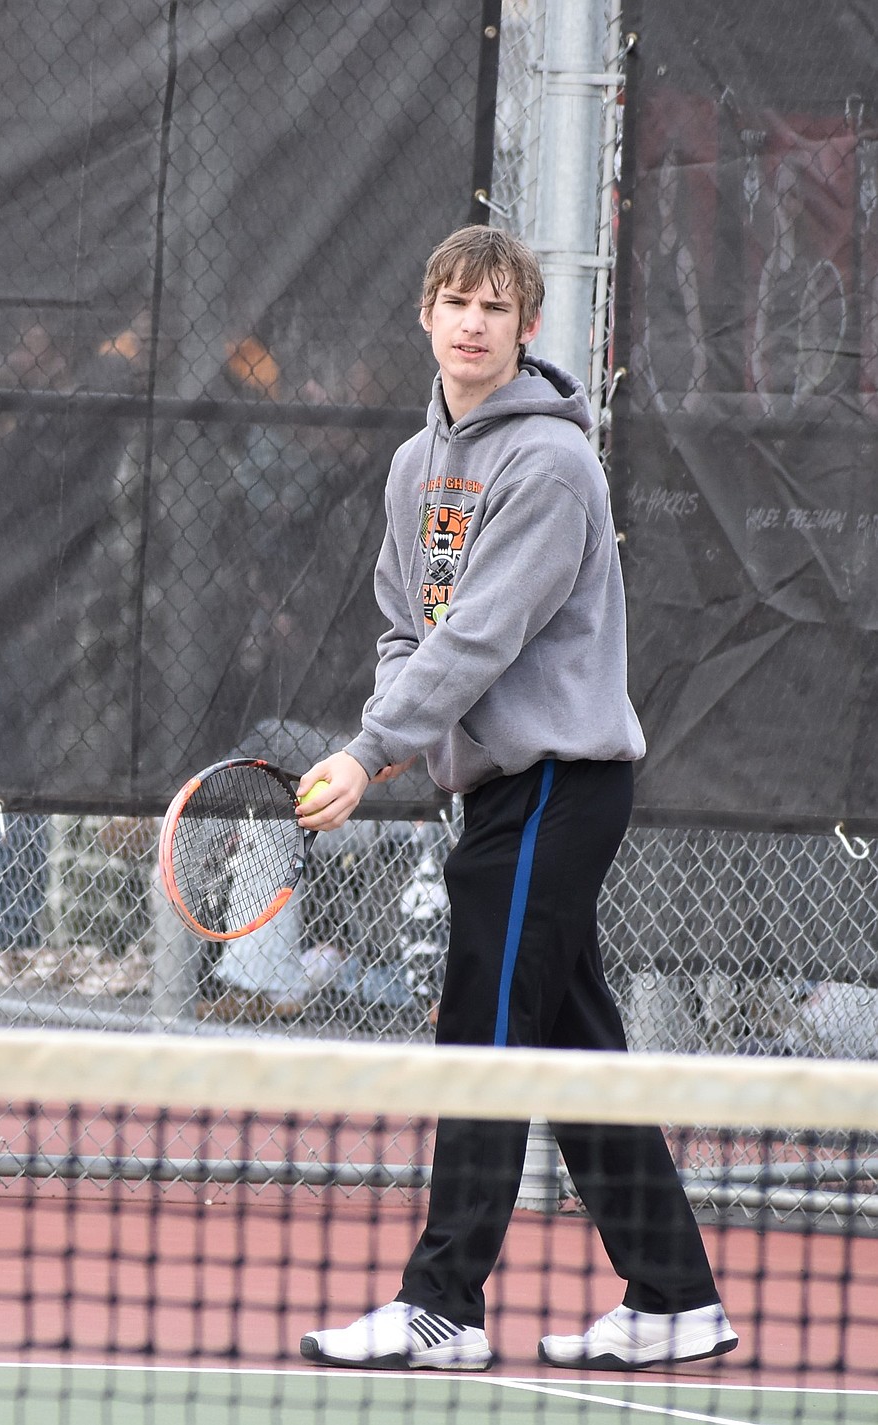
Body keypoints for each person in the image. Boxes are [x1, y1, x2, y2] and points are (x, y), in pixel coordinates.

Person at [296, 226, 738, 1372]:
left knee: (482, 1032)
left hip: (560, 787)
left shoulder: (552, 466)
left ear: (527, 325)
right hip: (494, 796)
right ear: (425, 316)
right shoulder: (414, 469)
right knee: (569, 1045)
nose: (472, 322)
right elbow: (411, 626)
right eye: (453, 300)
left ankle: (443, 1301)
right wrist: (395, 734)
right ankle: (675, 1293)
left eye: (495, 305)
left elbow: (485, 632)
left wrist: (369, 751)